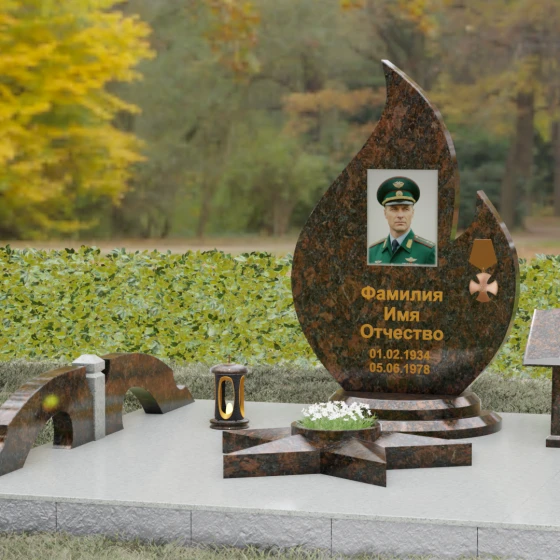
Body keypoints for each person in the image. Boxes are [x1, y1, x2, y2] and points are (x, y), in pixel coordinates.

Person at [368, 176, 436, 265]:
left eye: (405, 209)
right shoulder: (372, 252)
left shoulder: (428, 252)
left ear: (412, 213)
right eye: (394, 209)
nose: (400, 215)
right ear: (385, 213)